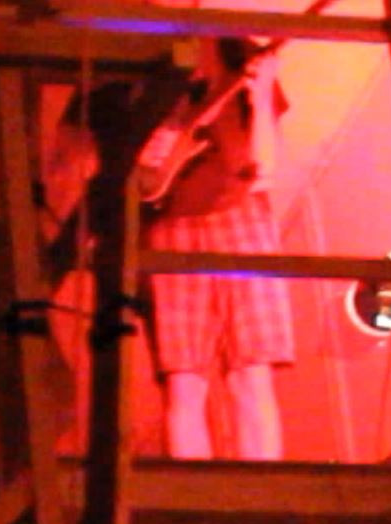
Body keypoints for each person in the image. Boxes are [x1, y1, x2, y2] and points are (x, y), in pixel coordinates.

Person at [138, 37, 293, 461]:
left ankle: (260, 486)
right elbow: (137, 172)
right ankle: (195, 489)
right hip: (170, 228)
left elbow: (267, 168)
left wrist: (262, 94)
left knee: (252, 372)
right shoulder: (142, 61)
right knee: (185, 380)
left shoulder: (236, 52)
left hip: (241, 216)